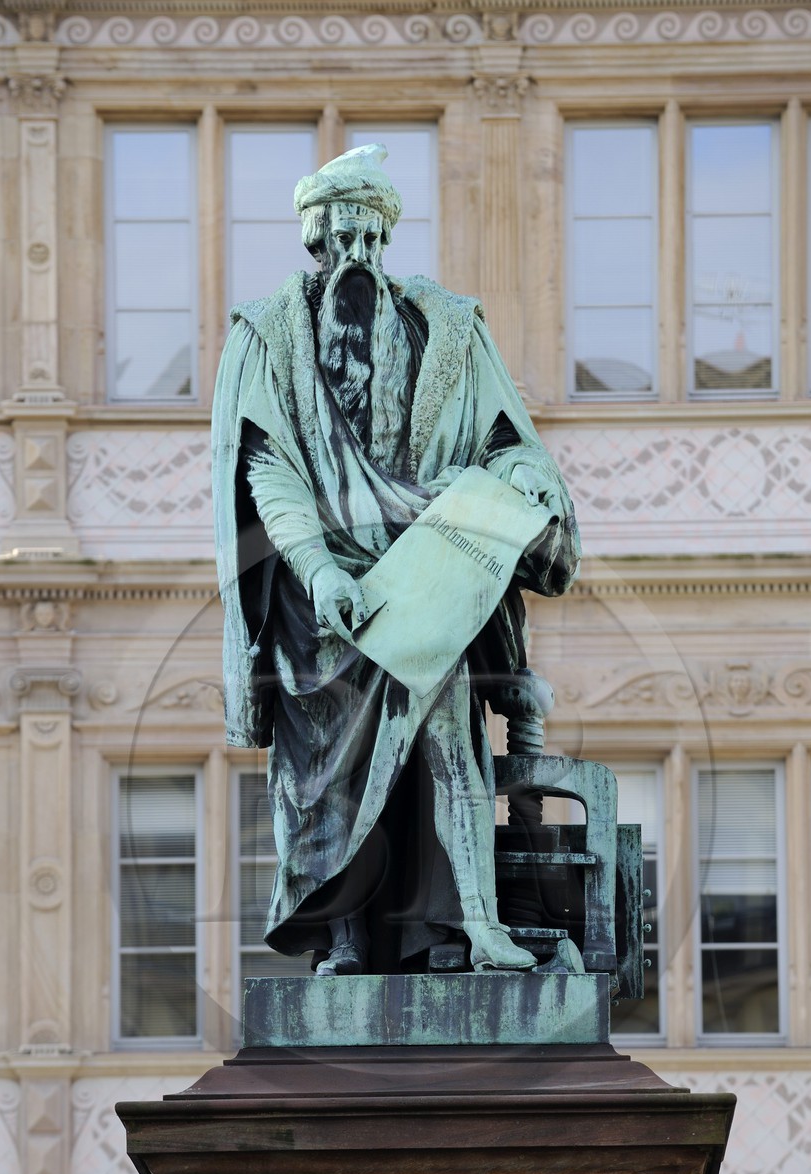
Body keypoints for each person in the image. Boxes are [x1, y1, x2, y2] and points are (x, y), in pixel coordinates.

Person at [212, 143, 580, 976]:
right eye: (342, 240)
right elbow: (267, 468)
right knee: (329, 780)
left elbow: (509, 445)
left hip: (425, 570)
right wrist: (322, 570)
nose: (359, 259)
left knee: (450, 741)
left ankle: (477, 925)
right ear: (314, 239)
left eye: (372, 241)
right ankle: (346, 939)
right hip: (322, 598)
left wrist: (521, 482)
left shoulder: (444, 326)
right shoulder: (269, 334)